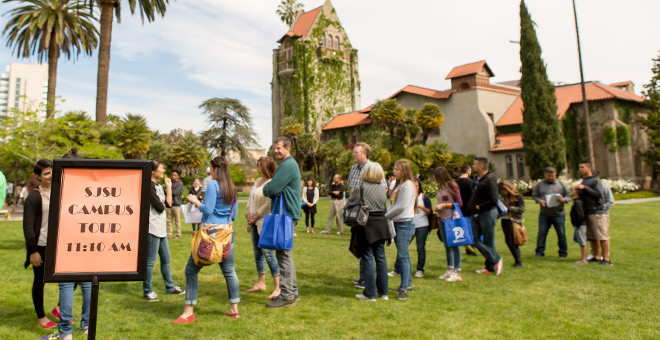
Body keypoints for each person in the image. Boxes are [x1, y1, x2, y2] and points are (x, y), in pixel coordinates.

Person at [174, 156, 240, 323]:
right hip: (227, 235)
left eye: (210, 168)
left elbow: (208, 209)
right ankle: (234, 309)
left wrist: (195, 201)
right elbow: (235, 215)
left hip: (210, 236)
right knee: (229, 272)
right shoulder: (232, 188)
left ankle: (188, 312)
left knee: (191, 270)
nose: (209, 171)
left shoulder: (212, 185)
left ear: (216, 169)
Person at [262, 137, 301, 308]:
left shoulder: (288, 165)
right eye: (275, 148)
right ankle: (291, 291)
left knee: (283, 256)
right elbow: (274, 188)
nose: (276, 151)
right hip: (286, 215)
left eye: (279, 148)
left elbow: (270, 189)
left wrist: (270, 188)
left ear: (287, 148)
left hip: (286, 215)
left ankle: (287, 295)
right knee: (284, 255)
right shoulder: (287, 165)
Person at [143, 159, 184, 302]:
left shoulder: (159, 186)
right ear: (153, 170)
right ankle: (147, 290)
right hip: (152, 228)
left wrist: (168, 187)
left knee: (166, 259)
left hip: (160, 228)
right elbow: (160, 207)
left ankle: (170, 287)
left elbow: (168, 204)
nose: (163, 170)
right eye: (161, 168)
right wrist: (162, 204)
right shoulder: (147, 185)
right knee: (150, 261)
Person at [349, 162, 391, 301]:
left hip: (367, 223)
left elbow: (351, 203)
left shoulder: (361, 187)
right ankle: (384, 292)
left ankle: (370, 293)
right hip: (381, 223)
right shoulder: (383, 188)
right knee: (380, 257)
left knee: (367, 257)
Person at [22, 160, 56, 329]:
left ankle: (58, 309)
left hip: (58, 245)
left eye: (52, 172)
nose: (50, 176)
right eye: (46, 173)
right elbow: (28, 227)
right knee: (39, 281)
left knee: (74, 278)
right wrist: (32, 251)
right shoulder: (34, 197)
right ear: (38, 176)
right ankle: (41, 317)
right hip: (40, 246)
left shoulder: (59, 192)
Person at [246, 156, 280, 298]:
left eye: (259, 164)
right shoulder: (257, 182)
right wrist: (248, 213)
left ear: (265, 166)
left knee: (268, 253)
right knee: (257, 254)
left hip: (264, 222)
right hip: (253, 221)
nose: (257, 167)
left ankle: (278, 286)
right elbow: (250, 199)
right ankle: (261, 282)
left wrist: (256, 216)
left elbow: (268, 203)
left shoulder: (272, 183)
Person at [385, 159, 416, 300]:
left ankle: (403, 289)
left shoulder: (408, 185)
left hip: (404, 223)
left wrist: (385, 216)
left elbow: (401, 206)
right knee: (404, 255)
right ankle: (407, 283)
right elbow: (393, 203)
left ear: (404, 170)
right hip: (397, 222)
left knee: (402, 255)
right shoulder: (400, 185)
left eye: (397, 169)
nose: (394, 172)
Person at [467, 157, 503, 276]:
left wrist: (479, 207)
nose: (473, 166)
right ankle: (493, 261)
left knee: (488, 240)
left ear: (481, 166)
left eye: (475, 164)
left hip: (487, 213)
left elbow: (494, 200)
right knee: (474, 239)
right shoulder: (478, 179)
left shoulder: (490, 180)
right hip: (476, 214)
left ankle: (492, 264)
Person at [347, 143, 373, 289]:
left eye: (356, 152)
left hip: (366, 211)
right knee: (359, 244)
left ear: (364, 154)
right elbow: (351, 187)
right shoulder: (353, 168)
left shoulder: (372, 168)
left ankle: (366, 279)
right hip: (355, 210)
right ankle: (363, 277)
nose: (353, 154)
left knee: (366, 246)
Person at [575, 161, 610, 265]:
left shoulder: (595, 181)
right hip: (588, 211)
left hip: (597, 211)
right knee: (592, 236)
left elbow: (598, 194)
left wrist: (584, 188)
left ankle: (606, 258)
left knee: (602, 235)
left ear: (589, 168)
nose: (580, 169)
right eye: (579, 167)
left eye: (582, 167)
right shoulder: (584, 180)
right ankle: (596, 256)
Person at [531, 167, 571, 258]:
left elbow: (569, 195)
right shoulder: (540, 185)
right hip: (545, 213)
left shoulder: (561, 184)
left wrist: (564, 200)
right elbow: (534, 195)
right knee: (542, 232)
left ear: (555, 174)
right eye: (549, 176)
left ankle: (563, 252)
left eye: (553, 175)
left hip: (558, 214)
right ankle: (539, 251)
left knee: (561, 233)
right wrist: (539, 201)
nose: (551, 177)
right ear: (545, 175)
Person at [433, 167, 464, 281]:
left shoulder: (452, 185)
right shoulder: (441, 187)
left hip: (451, 218)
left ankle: (457, 271)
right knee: (447, 245)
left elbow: (459, 203)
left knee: (454, 245)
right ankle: (450, 268)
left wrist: (444, 206)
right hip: (441, 218)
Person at [498, 180, 525, 268]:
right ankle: (517, 261)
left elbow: (521, 209)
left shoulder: (517, 196)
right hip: (505, 219)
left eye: (503, 191)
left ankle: (518, 262)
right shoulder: (502, 196)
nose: (502, 193)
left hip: (514, 221)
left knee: (513, 242)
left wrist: (508, 208)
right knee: (509, 241)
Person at [455, 164, 478, 256]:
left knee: (462, 228)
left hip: (458, 208)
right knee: (471, 228)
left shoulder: (455, 182)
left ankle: (466, 247)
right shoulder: (471, 182)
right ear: (468, 171)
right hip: (469, 208)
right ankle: (470, 247)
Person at [412, 178, 432, 278]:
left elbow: (430, 211)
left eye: (416, 186)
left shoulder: (424, 197)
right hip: (410, 224)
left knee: (420, 248)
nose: (415, 188)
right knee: (403, 246)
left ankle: (420, 269)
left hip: (422, 225)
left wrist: (422, 207)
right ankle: (398, 268)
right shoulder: (408, 197)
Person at [166, 169, 184, 240]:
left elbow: (175, 192)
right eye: (172, 175)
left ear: (178, 176)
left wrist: (168, 190)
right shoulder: (170, 182)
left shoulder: (180, 183)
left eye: (175, 175)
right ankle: (169, 234)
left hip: (176, 204)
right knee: (169, 221)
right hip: (169, 204)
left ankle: (178, 235)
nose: (173, 176)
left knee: (177, 221)